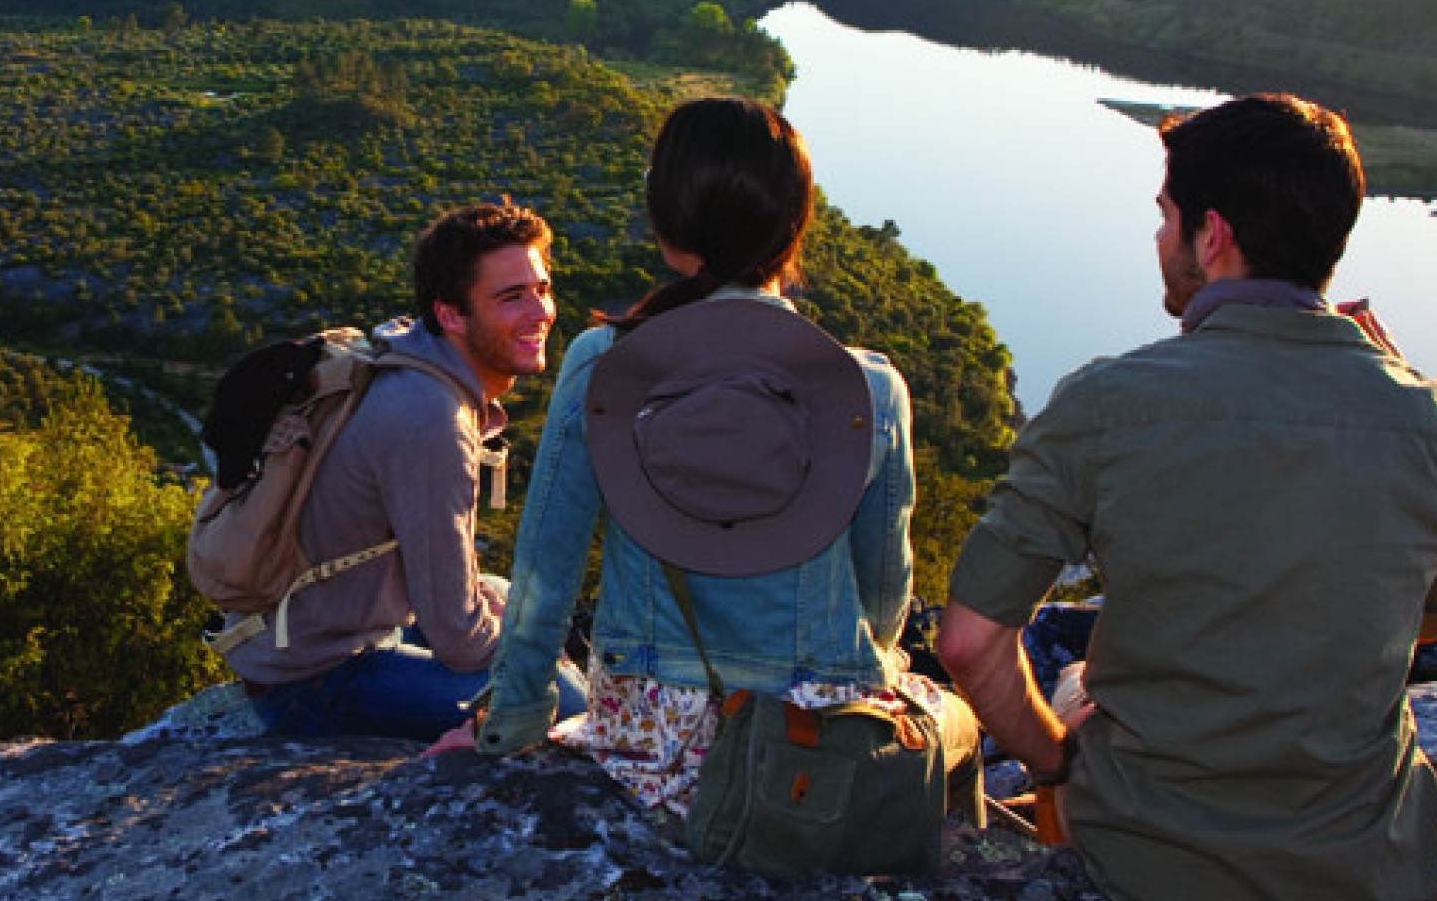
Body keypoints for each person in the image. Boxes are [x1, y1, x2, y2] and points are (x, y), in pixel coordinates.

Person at [936, 93, 1437, 901]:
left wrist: (1053, 763)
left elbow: (971, 642)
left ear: (1212, 236)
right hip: (1354, 885)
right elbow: (1434, 617)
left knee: (1077, 689)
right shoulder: (1436, 424)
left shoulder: (1107, 402)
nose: (1159, 238)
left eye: (1165, 217)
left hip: (1139, 862)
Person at [474, 98, 978, 838]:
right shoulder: (868, 388)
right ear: (793, 222)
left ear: (669, 226)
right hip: (807, 760)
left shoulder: (602, 364)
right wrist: (873, 665)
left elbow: (545, 568)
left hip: (646, 747)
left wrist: (513, 717)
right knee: (954, 721)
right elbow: (881, 591)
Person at [228, 200, 587, 741]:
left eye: (541, 288)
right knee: (567, 700)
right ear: (450, 315)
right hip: (314, 680)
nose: (541, 312)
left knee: (508, 598)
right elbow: (459, 639)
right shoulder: (431, 417)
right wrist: (534, 658)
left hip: (326, 628)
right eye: (512, 297)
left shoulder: (408, 356)